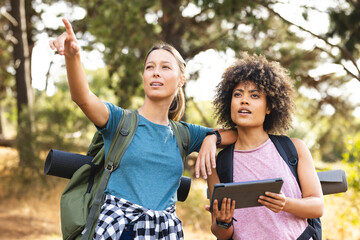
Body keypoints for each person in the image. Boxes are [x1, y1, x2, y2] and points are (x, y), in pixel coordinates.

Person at [49, 18, 236, 239]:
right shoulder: (120, 121)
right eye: (150, 67)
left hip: (163, 232)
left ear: (181, 80)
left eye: (165, 67)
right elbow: (82, 97)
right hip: (119, 231)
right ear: (144, 77)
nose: (156, 72)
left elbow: (236, 134)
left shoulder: (184, 134)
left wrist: (211, 138)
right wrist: (73, 57)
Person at [206, 53, 324, 240]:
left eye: (254, 95)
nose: (244, 100)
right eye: (238, 94)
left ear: (269, 107)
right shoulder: (218, 163)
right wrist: (223, 221)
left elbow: (317, 206)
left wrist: (285, 204)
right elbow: (221, 233)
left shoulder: (294, 149)